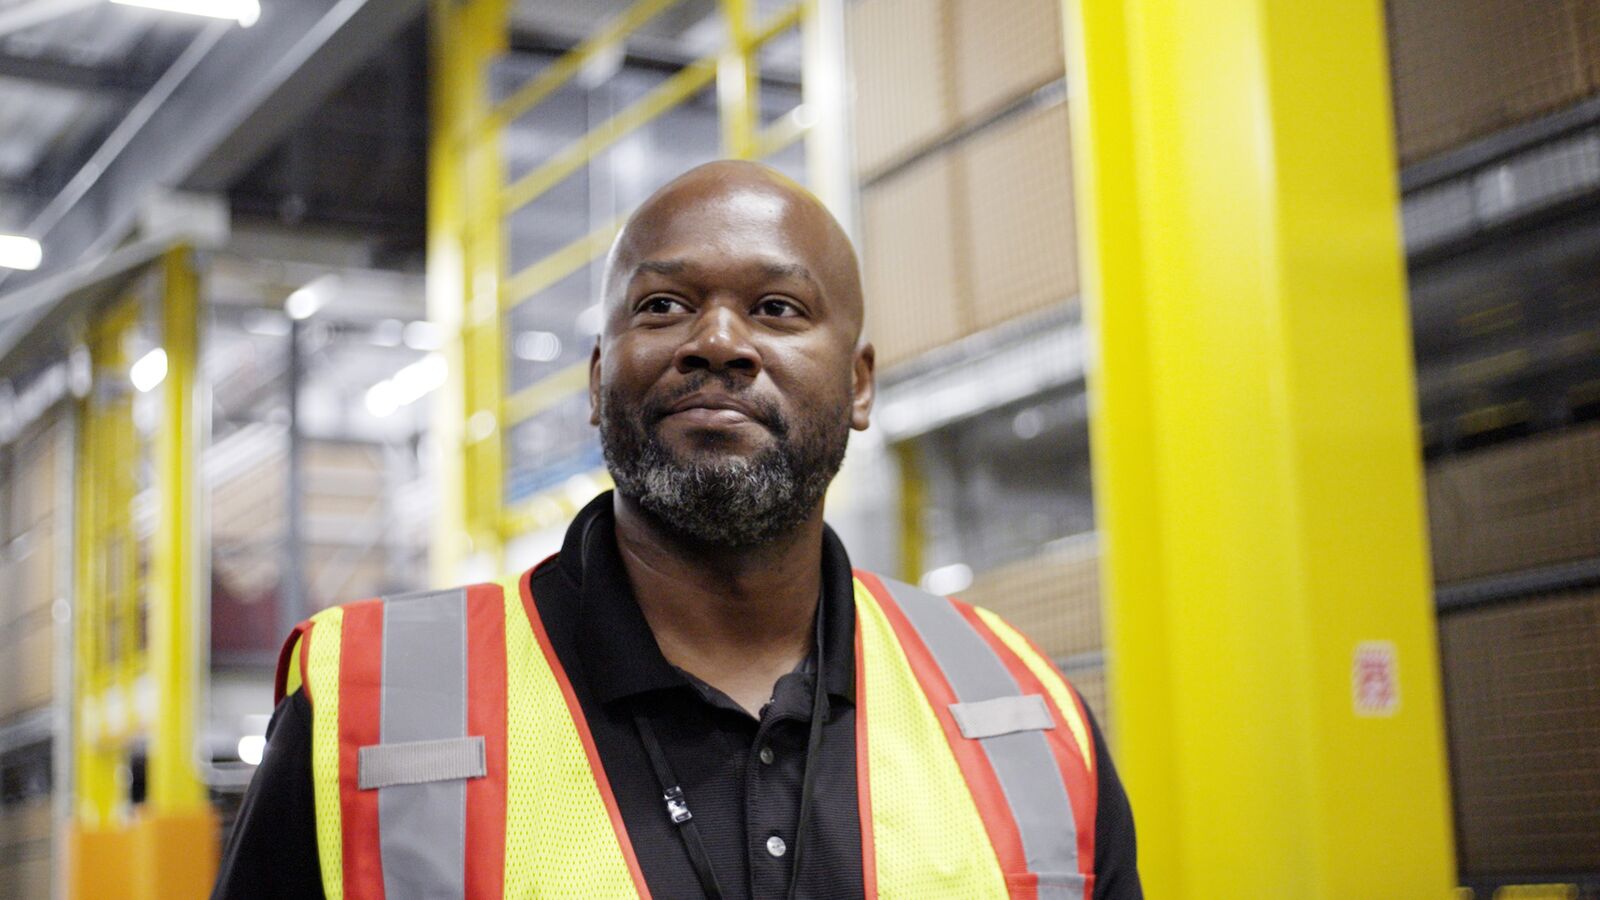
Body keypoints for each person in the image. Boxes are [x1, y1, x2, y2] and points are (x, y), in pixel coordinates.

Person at [212, 160, 1140, 899]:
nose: (718, 341)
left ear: (859, 384)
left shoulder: (1021, 715)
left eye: (778, 309)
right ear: (595, 381)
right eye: (663, 306)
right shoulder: (369, 713)